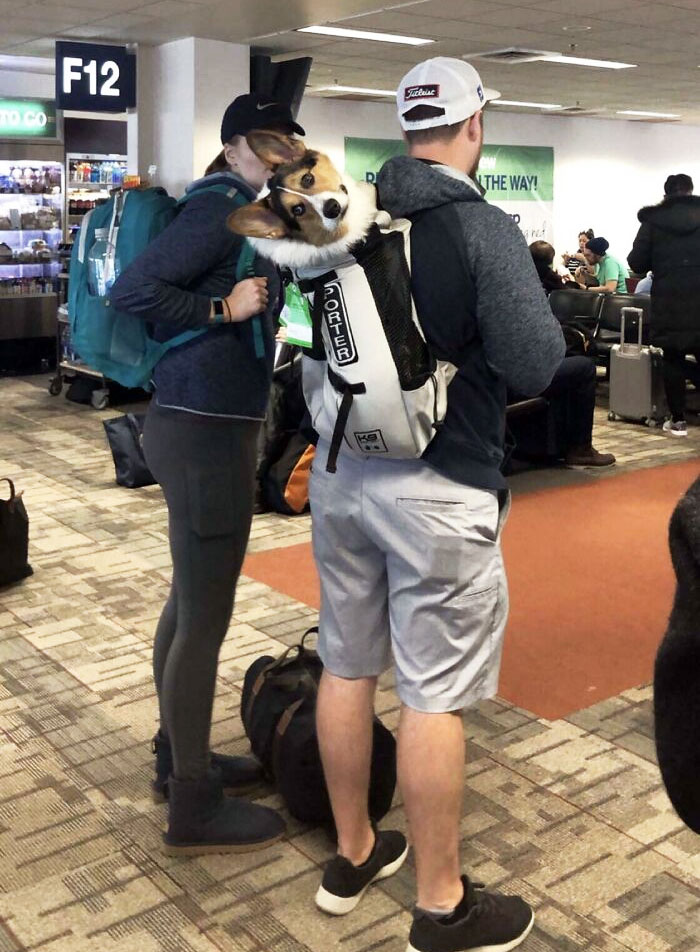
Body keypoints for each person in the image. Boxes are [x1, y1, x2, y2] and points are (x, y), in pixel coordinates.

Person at [310, 57, 566, 952]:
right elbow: (537, 363)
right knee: (433, 693)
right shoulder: (480, 227)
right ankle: (441, 903)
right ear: (474, 126)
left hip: (344, 473)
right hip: (440, 482)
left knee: (346, 664)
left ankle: (351, 854)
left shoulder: (346, 216)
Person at [109, 94, 306, 854]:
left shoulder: (246, 208)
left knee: (187, 602)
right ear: (230, 149)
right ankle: (192, 804)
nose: (279, 151)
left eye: (287, 138)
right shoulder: (218, 207)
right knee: (205, 618)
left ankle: (176, 755)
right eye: (263, 141)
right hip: (203, 435)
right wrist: (223, 310)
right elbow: (132, 291)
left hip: (201, 429)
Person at [527, 242, 616, 468]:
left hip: (475, 373)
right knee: (584, 367)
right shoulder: (536, 286)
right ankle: (580, 448)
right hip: (512, 375)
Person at [628, 173, 700, 437]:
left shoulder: (653, 222)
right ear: (691, 191)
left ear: (666, 194)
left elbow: (636, 263)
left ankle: (679, 421)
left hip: (670, 302)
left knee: (673, 358)